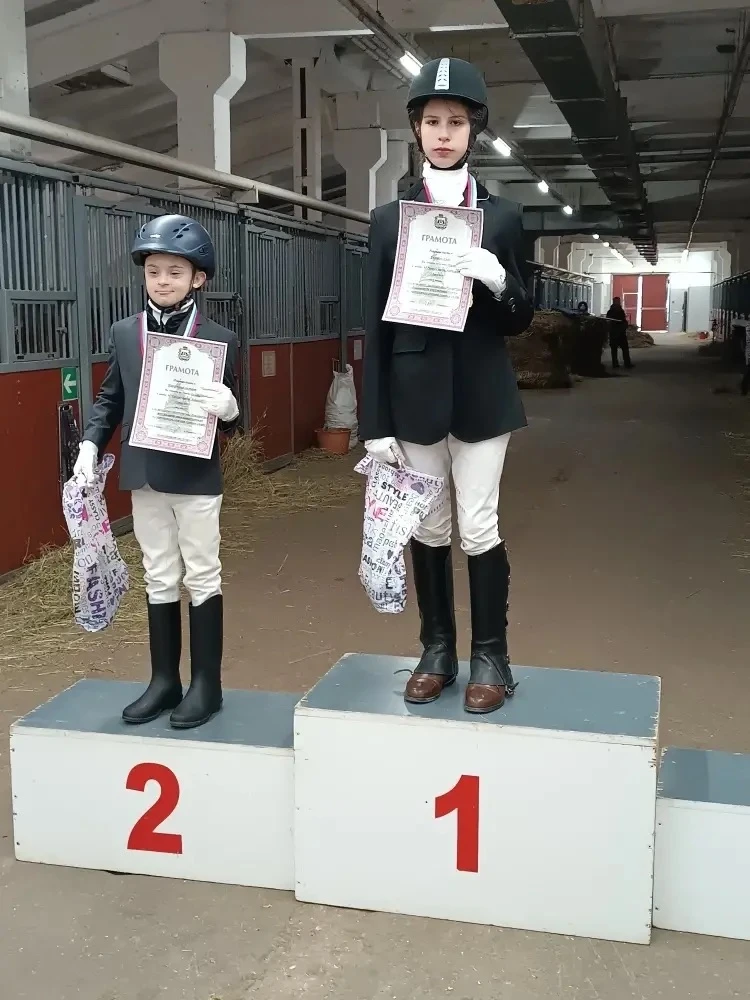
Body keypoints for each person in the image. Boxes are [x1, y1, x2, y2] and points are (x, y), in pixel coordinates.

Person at [360, 57, 534, 715]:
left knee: (479, 525)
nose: (442, 133)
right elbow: (374, 325)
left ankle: (492, 655)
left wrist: (497, 277)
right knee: (428, 526)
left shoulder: (505, 217)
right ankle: (436, 649)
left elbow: (521, 318)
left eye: (455, 122)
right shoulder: (388, 221)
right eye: (432, 121)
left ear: (473, 130)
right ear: (416, 128)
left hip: (483, 394)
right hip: (413, 398)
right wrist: (374, 423)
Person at [73, 215, 240, 730]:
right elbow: (110, 398)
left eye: (175, 272)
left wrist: (230, 408)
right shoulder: (126, 333)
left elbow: (239, 417)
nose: (162, 281)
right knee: (159, 572)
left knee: (202, 572)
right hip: (144, 472)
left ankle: (206, 684)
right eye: (153, 272)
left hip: (195, 476)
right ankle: (164, 679)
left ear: (198, 278)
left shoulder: (220, 338)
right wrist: (90, 443)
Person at [606, 297, 633, 369]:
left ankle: (624, 363)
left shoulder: (620, 311)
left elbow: (623, 320)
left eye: (618, 301)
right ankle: (619, 363)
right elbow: (609, 322)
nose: (618, 302)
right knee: (617, 349)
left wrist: (624, 325)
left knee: (623, 349)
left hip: (620, 333)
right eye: (617, 301)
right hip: (615, 333)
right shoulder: (611, 311)